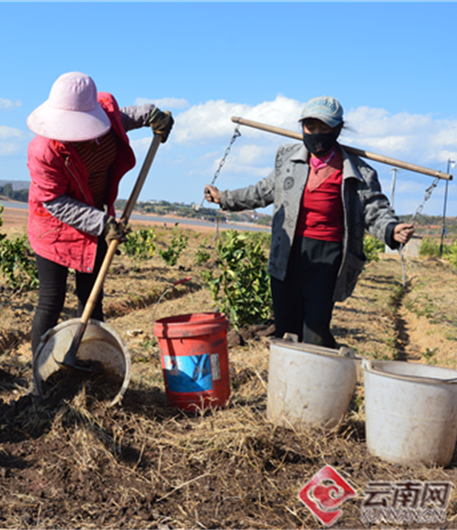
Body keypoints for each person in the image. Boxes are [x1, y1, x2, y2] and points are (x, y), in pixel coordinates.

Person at [204, 96, 414, 347]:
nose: (316, 134)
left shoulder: (358, 172)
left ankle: (318, 375)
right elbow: (263, 191)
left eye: (324, 128)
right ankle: (288, 378)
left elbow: (374, 209)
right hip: (287, 250)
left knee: (315, 327)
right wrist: (224, 198)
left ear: (337, 129)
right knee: (286, 325)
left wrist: (391, 229)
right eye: (310, 127)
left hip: (327, 255)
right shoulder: (289, 160)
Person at [26, 71, 174, 355]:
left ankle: (92, 361)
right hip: (54, 224)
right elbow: (54, 200)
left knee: (92, 297)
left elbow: (124, 117)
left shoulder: (105, 116)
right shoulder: (43, 150)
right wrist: (102, 223)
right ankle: (40, 374)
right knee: (51, 300)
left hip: (96, 218)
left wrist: (152, 115)